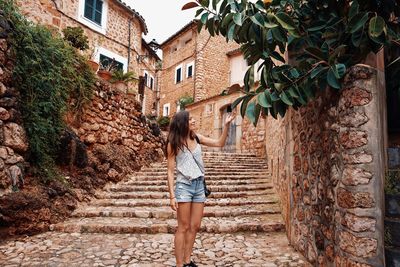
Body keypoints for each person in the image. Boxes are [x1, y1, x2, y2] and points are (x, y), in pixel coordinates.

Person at [166, 110, 236, 267]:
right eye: (190, 119)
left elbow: (219, 143)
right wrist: (172, 196)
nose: (194, 120)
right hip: (184, 186)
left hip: (199, 186)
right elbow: (170, 171)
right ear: (183, 122)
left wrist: (226, 126)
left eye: (193, 118)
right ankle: (179, 264)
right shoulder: (173, 143)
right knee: (183, 227)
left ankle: (187, 261)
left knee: (195, 225)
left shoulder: (196, 137)